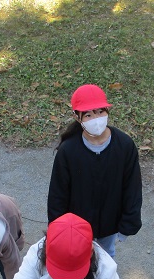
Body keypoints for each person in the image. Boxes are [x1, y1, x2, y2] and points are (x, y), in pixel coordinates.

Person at [47, 84, 142, 258]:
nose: (96, 119)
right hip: (76, 226)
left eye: (100, 112)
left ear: (107, 111)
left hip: (109, 223)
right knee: (79, 260)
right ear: (77, 117)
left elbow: (132, 187)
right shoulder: (68, 151)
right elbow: (57, 194)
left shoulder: (124, 146)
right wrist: (57, 228)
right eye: (89, 115)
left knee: (106, 257)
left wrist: (129, 223)